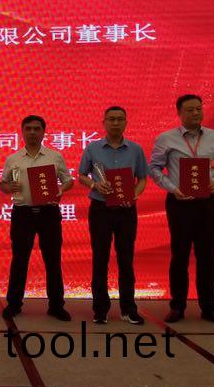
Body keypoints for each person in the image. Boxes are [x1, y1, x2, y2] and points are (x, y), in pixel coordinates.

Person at [149, 94, 214, 325]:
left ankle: (209, 308)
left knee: (208, 256)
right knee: (180, 256)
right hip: (180, 203)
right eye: (190, 110)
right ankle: (177, 307)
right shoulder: (166, 138)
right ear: (179, 113)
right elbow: (154, 168)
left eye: (199, 109)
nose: (196, 113)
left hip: (208, 203)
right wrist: (172, 188)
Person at [78, 106, 148, 325]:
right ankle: (100, 309)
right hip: (100, 209)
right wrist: (94, 184)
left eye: (119, 119)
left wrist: (134, 195)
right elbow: (81, 175)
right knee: (100, 258)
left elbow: (142, 178)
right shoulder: (92, 148)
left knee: (126, 260)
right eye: (111, 119)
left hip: (126, 210)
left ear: (126, 122)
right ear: (104, 122)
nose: (115, 123)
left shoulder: (135, 149)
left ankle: (128, 308)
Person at [0, 115, 74, 321]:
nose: (32, 132)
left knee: (53, 260)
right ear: (22, 132)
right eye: (28, 129)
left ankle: (56, 306)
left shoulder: (54, 157)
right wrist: (9, 187)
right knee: (19, 260)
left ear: (43, 132)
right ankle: (14, 304)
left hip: (48, 213)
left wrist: (61, 189)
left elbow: (68, 181)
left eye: (36, 129)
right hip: (22, 214)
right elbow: (3, 185)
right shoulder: (13, 158)